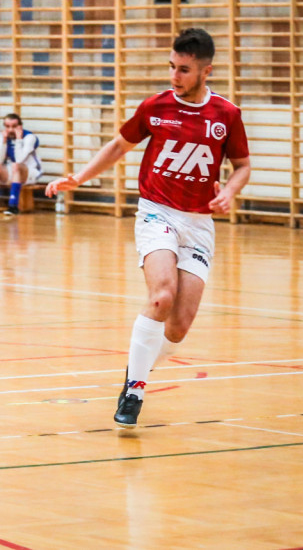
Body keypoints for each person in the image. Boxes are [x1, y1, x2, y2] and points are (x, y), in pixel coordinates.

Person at [45, 28, 251, 428]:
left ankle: (135, 368)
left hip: (198, 223)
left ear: (206, 71)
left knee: (178, 326)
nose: (175, 76)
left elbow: (242, 166)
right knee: (161, 296)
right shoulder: (155, 107)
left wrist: (229, 191)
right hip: (157, 212)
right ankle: (136, 390)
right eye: (172, 67)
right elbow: (118, 146)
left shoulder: (226, 115)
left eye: (184, 70)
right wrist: (80, 177)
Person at [0, 113, 43, 215]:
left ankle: (13, 206)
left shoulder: (29, 138)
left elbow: (19, 159)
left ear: (20, 126)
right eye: (7, 126)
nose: (10, 130)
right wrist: (4, 142)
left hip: (32, 172)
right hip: (15, 171)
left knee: (16, 165)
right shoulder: (6, 137)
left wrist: (19, 139)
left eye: (14, 126)